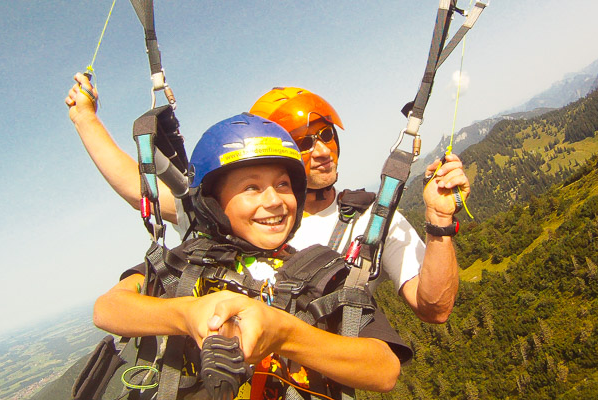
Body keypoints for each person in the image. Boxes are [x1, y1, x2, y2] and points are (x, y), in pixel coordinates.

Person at [65, 76, 469, 323]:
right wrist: (86, 119)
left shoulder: (372, 222)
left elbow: (434, 308)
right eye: (304, 142)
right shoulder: (237, 217)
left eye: (327, 134)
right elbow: (141, 189)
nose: (324, 151)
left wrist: (439, 222)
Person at [93, 113, 409, 398]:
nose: (273, 200)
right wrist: (188, 314)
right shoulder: (186, 263)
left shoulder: (323, 274)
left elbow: (383, 369)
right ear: (214, 202)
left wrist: (282, 334)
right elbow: (109, 309)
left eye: (283, 184)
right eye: (251, 188)